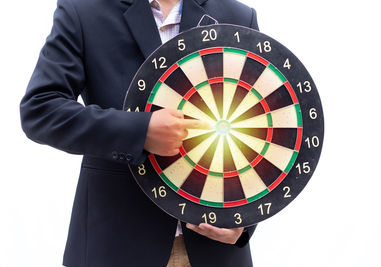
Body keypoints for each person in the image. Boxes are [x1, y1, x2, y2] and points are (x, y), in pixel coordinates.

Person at [20, 0, 259, 266]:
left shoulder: (238, 15)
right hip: (116, 244)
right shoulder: (82, 11)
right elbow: (40, 110)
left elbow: (262, 128)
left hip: (216, 252)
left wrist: (244, 222)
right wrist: (140, 132)